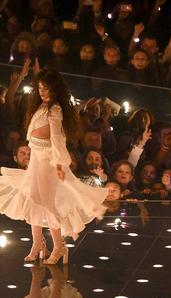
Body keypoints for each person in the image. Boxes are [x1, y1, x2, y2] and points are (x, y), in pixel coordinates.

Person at [0, 69, 107, 265]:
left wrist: (59, 163)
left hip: (48, 160)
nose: (42, 92)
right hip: (36, 159)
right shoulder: (42, 106)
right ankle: (37, 243)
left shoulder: (55, 109)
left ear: (55, 89)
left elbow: (58, 138)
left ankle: (59, 246)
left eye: (46, 88)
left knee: (47, 203)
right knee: (33, 199)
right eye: (40, 88)